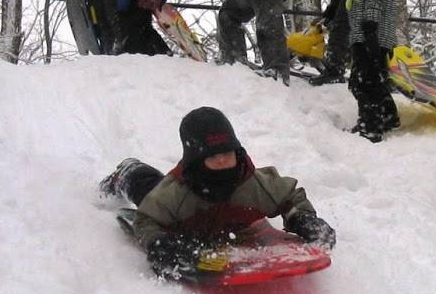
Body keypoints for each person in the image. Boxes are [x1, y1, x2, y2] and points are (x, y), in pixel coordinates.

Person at [99, 107, 336, 278]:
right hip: (180, 218)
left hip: (217, 219)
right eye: (213, 155)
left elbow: (288, 196)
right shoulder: (175, 193)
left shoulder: (253, 184)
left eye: (227, 152)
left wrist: (303, 218)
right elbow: (145, 220)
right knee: (147, 188)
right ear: (197, 160)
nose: (222, 159)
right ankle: (128, 170)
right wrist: (159, 243)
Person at [346, 0, 400, 143]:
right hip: (371, 33)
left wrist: (370, 25)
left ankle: (371, 127)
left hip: (370, 32)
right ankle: (388, 116)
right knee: (373, 77)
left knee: (364, 80)